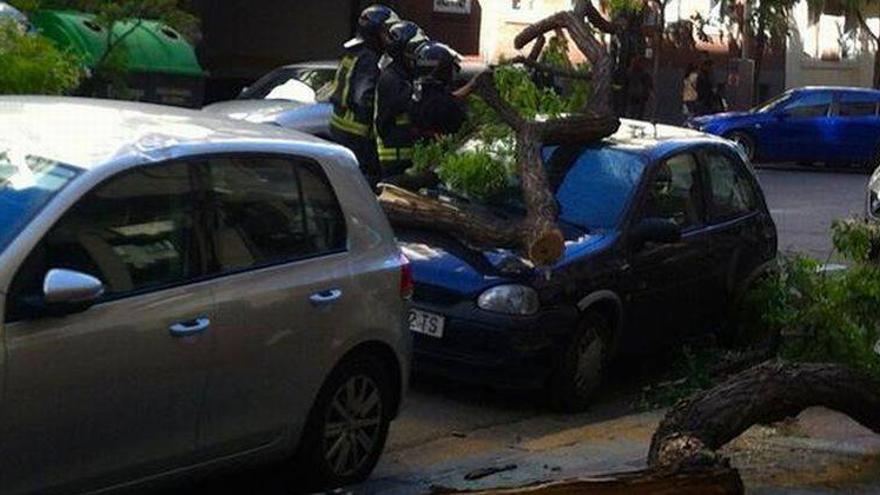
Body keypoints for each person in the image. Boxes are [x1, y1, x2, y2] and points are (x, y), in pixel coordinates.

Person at [329, 4, 398, 185]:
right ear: (375, 33)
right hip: (357, 135)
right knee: (363, 182)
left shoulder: (353, 52)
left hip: (339, 128)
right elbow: (364, 98)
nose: (389, 38)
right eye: (386, 32)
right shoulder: (369, 58)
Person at [373, 20, 427, 182]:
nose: (419, 55)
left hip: (402, 157)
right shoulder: (392, 80)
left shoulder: (401, 75)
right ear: (400, 51)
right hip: (394, 160)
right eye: (414, 49)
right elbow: (416, 107)